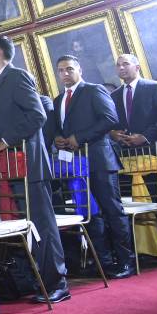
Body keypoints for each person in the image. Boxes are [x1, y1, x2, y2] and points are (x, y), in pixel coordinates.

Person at [0, 35, 70, 304]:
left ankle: (57, 283)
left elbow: (37, 115)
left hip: (30, 164)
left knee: (42, 226)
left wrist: (4, 141)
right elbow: (0, 124)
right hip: (13, 166)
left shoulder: (17, 76)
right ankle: (40, 281)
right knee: (29, 227)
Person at [52, 55, 132, 279]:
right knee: (90, 214)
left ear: (80, 69)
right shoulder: (58, 100)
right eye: (61, 70)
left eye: (69, 69)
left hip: (99, 160)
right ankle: (103, 263)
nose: (65, 74)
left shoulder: (93, 90)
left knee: (112, 211)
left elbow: (110, 118)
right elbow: (57, 128)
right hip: (75, 165)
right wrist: (58, 137)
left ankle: (126, 262)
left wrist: (80, 137)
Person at [109, 53, 157, 260]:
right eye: (118, 65)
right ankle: (148, 251)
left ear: (137, 66)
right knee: (137, 204)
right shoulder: (114, 95)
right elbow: (111, 123)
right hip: (130, 158)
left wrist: (145, 137)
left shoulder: (154, 87)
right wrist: (113, 133)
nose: (121, 68)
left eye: (126, 64)